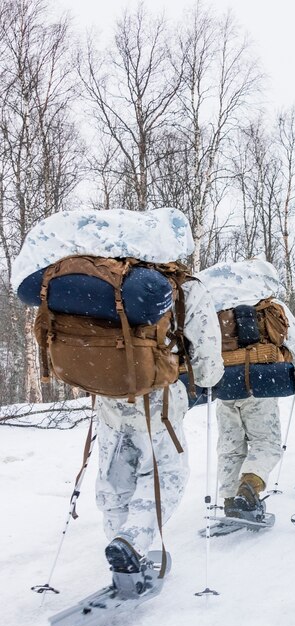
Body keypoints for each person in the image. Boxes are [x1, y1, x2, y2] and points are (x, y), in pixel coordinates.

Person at [10, 207, 223, 583]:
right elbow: (205, 348)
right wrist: (207, 379)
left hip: (106, 391)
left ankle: (120, 545)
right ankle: (132, 542)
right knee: (167, 470)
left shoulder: (104, 277)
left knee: (115, 471)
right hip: (157, 393)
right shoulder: (184, 286)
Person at [197, 260, 295, 521]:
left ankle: (229, 500)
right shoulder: (271, 307)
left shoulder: (213, 308)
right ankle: (248, 490)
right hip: (262, 384)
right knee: (267, 442)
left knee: (230, 445)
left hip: (224, 385)